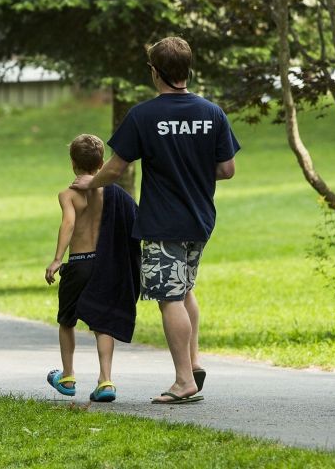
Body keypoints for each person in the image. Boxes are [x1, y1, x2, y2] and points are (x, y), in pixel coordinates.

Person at [72, 37, 239, 404]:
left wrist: (90, 182)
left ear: (155, 72)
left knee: (169, 298)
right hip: (200, 219)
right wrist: (193, 167)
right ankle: (193, 362)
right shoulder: (212, 113)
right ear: (188, 70)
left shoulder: (144, 116)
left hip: (164, 222)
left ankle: (184, 382)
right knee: (184, 289)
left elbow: (115, 169)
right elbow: (226, 169)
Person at [45, 134, 141, 403]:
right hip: (105, 263)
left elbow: (68, 224)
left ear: (73, 163)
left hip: (78, 264)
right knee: (103, 323)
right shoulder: (114, 194)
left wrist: (56, 259)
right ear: (101, 164)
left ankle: (67, 376)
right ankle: (105, 380)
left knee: (66, 321)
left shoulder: (68, 195)